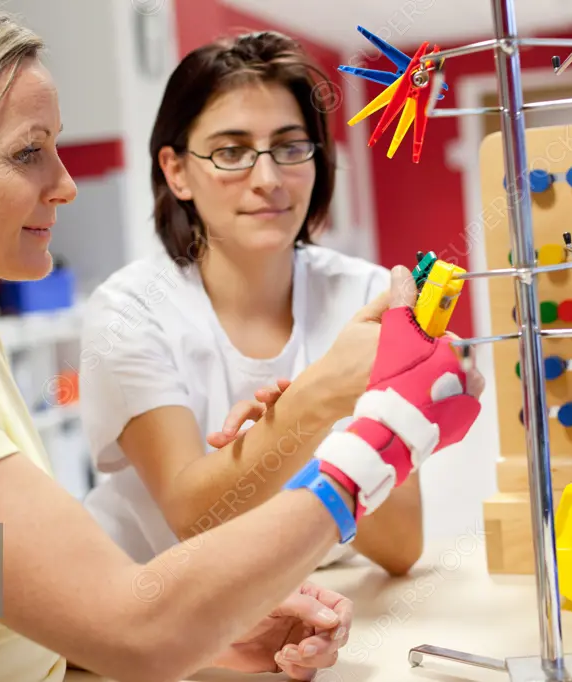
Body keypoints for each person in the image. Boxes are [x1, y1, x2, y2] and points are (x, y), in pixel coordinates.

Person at [0, 2, 481, 681]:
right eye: (27, 152)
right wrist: (382, 440)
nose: (66, 182)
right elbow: (136, 631)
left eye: (289, 148)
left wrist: (210, 637)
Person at [80, 31, 481, 575]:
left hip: (309, 599)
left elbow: (401, 544)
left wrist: (287, 435)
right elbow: (194, 518)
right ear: (176, 171)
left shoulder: (363, 295)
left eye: (291, 147)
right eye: (231, 151)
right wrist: (319, 402)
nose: (268, 180)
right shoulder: (130, 311)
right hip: (148, 609)